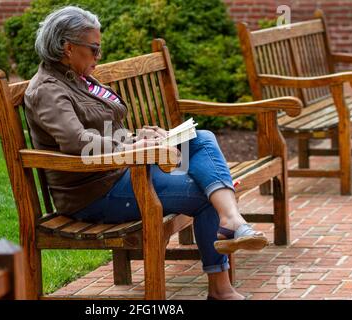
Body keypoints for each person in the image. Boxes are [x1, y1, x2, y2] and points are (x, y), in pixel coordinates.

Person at [24, 5, 268, 300]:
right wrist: (132, 146)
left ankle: (232, 221)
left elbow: (105, 130)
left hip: (123, 172)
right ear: (67, 47)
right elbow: (76, 141)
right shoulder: (48, 89)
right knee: (208, 193)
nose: (98, 57)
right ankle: (221, 285)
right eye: (94, 49)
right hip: (94, 193)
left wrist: (140, 136)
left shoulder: (78, 77)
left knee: (201, 138)